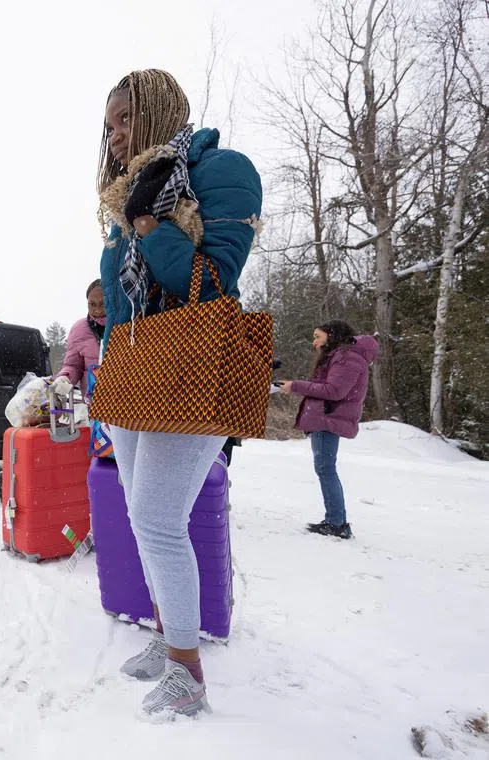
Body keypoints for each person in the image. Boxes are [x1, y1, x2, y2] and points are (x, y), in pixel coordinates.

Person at [95, 69, 262, 716]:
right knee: (143, 518)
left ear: (159, 111)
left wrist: (146, 220)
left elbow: (213, 283)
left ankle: (188, 677)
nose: (112, 137)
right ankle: (169, 639)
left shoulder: (222, 171)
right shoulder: (127, 192)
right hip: (135, 371)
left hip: (193, 365)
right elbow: (118, 299)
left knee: (162, 521)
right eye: (107, 126)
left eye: (123, 120)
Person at [279, 320, 378, 540]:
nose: (315, 343)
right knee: (325, 468)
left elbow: (334, 391)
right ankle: (335, 520)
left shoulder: (347, 358)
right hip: (327, 417)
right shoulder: (341, 356)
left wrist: (296, 386)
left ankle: (337, 523)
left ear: (331, 336)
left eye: (318, 336)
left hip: (328, 418)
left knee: (326, 469)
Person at [57, 279, 107, 397]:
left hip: (125, 401)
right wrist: (65, 377)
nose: (98, 310)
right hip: (95, 401)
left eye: (103, 303)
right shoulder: (80, 329)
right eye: (92, 304)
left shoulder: (125, 324)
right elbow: (73, 365)